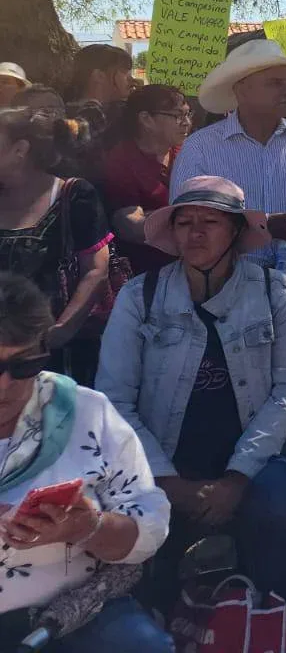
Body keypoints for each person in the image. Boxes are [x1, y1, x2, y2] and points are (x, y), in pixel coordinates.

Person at [97, 176, 286, 641]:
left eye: (209, 222)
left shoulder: (274, 292)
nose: (195, 233)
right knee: (139, 544)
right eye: (184, 223)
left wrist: (237, 477)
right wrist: (169, 482)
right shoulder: (140, 296)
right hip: (163, 460)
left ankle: (279, 630)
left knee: (283, 505)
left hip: (250, 459)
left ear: (235, 231)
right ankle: (159, 629)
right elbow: (114, 398)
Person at [0, 272, 172, 652]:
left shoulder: (86, 412)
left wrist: (88, 527)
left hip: (75, 615)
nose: (4, 385)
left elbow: (150, 522)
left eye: (23, 366)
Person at [172, 40, 286, 298]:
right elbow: (185, 229)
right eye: (275, 83)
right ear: (241, 90)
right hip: (225, 290)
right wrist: (260, 228)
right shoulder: (201, 147)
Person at [0, 109, 112, 383]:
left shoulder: (73, 195)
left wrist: (60, 331)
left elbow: (96, 269)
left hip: (53, 358)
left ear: (20, 150)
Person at [98, 85, 190, 278]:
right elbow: (130, 225)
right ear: (146, 119)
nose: (186, 123)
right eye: (177, 115)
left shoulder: (191, 151)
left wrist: (156, 218)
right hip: (146, 273)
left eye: (188, 114)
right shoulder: (121, 160)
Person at [64, 45, 135, 147]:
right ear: (99, 76)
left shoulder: (115, 109)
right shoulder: (73, 114)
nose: (131, 79)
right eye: (124, 73)